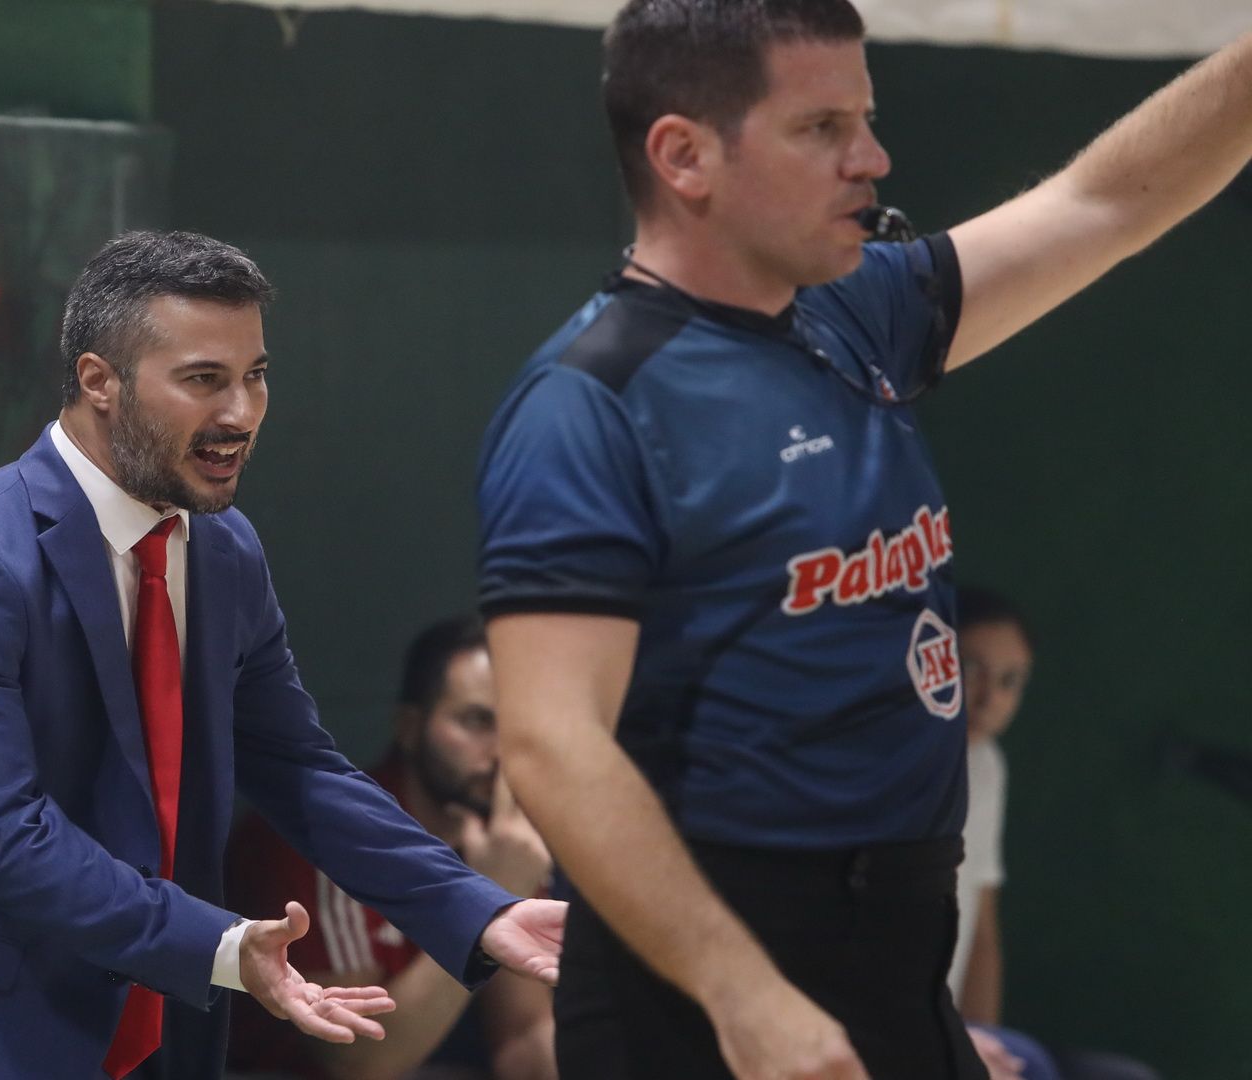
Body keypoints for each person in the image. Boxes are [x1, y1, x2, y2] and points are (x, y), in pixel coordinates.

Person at [473, 2, 1252, 1078]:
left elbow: (1105, 199)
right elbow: (554, 746)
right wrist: (746, 999)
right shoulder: (589, 404)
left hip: (900, 959)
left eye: (867, 119)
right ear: (685, 156)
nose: (873, 159)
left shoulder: (857, 314)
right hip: (710, 987)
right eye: (822, 128)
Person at [0, 231, 565, 1080]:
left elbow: (300, 769)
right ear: (98, 382)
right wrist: (220, 945)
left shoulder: (225, 550)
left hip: (144, 1011)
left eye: (256, 375)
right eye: (204, 379)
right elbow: (3, 835)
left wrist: (477, 912)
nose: (242, 413)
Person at [227, 615, 558, 1080]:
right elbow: (359, 1060)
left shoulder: (505, 841)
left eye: (516, 726)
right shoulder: (335, 833)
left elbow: (523, 1037)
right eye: (477, 721)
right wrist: (489, 896)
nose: (502, 751)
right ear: (409, 727)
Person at [953, 589, 1160, 1080]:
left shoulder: (986, 767)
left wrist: (978, 1044)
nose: (989, 698)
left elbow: (982, 929)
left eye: (1010, 681)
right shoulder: (879, 769)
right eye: (970, 668)